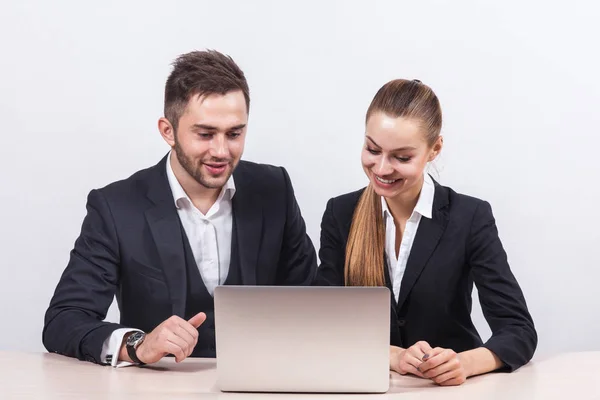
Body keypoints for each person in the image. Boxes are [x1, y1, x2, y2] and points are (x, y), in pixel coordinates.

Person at [43, 50, 317, 367]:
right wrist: (137, 344)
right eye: (205, 134)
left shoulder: (274, 190)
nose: (221, 151)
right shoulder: (116, 208)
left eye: (234, 133)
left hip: (264, 382)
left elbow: (312, 301)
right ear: (167, 131)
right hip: (159, 388)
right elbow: (63, 321)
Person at [314, 79, 537, 385]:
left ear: (435, 149)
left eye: (401, 157)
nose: (381, 168)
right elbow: (323, 324)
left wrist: (465, 362)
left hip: (449, 391)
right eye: (372, 149)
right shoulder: (341, 214)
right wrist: (394, 355)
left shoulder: (470, 216)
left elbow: (519, 330)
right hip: (368, 387)